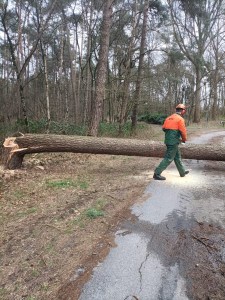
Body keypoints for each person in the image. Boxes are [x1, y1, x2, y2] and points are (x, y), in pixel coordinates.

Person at [153, 103, 189, 180]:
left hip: (169, 140)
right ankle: (157, 173)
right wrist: (184, 139)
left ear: (176, 110)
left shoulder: (168, 118)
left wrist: (171, 134)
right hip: (173, 142)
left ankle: (182, 172)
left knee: (177, 157)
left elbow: (164, 128)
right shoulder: (180, 119)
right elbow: (183, 131)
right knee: (169, 158)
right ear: (183, 111)